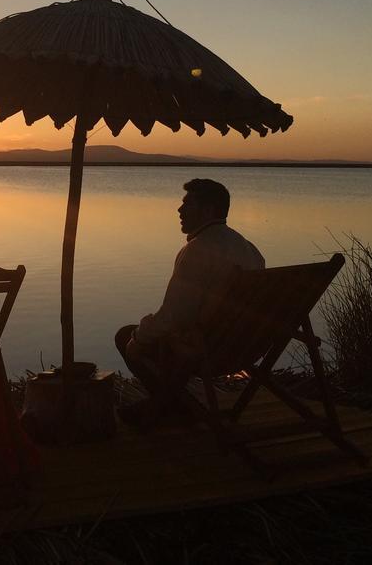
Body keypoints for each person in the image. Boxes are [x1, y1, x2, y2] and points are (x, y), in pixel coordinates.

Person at [114, 178, 265, 430]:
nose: (179, 210)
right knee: (186, 336)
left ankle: (169, 407)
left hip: (208, 353)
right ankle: (170, 405)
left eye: (187, 204)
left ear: (208, 211)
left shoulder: (197, 250)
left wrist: (137, 339)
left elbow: (173, 316)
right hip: (247, 348)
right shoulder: (249, 249)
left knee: (125, 337)